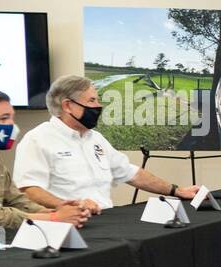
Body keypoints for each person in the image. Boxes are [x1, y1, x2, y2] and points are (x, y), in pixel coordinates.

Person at [13, 76, 200, 213]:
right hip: (67, 225)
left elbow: (131, 173)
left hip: (105, 220)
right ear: (68, 106)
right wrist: (70, 205)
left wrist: (176, 190)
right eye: (92, 101)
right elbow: (28, 190)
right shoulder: (38, 139)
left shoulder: (96, 139)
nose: (99, 106)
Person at [0, 86, 89, 235]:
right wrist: (54, 218)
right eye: (3, 118)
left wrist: (62, 212)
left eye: (11, 118)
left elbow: (16, 200)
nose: (11, 125)